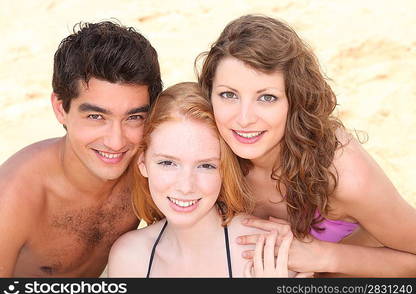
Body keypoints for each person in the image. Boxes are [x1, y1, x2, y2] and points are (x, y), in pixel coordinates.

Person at [196, 14, 416, 277]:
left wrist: (324, 256)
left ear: (295, 100)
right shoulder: (204, 151)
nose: (244, 119)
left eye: (267, 97)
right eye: (228, 95)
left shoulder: (342, 173)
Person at [0, 21, 162, 277]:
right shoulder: (14, 197)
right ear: (60, 108)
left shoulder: (146, 173)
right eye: (96, 117)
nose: (116, 142)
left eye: (134, 118)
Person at [107, 82, 301, 278]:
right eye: (167, 163)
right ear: (143, 163)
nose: (185, 186)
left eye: (206, 166)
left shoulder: (265, 253)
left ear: (225, 170)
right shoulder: (130, 257)